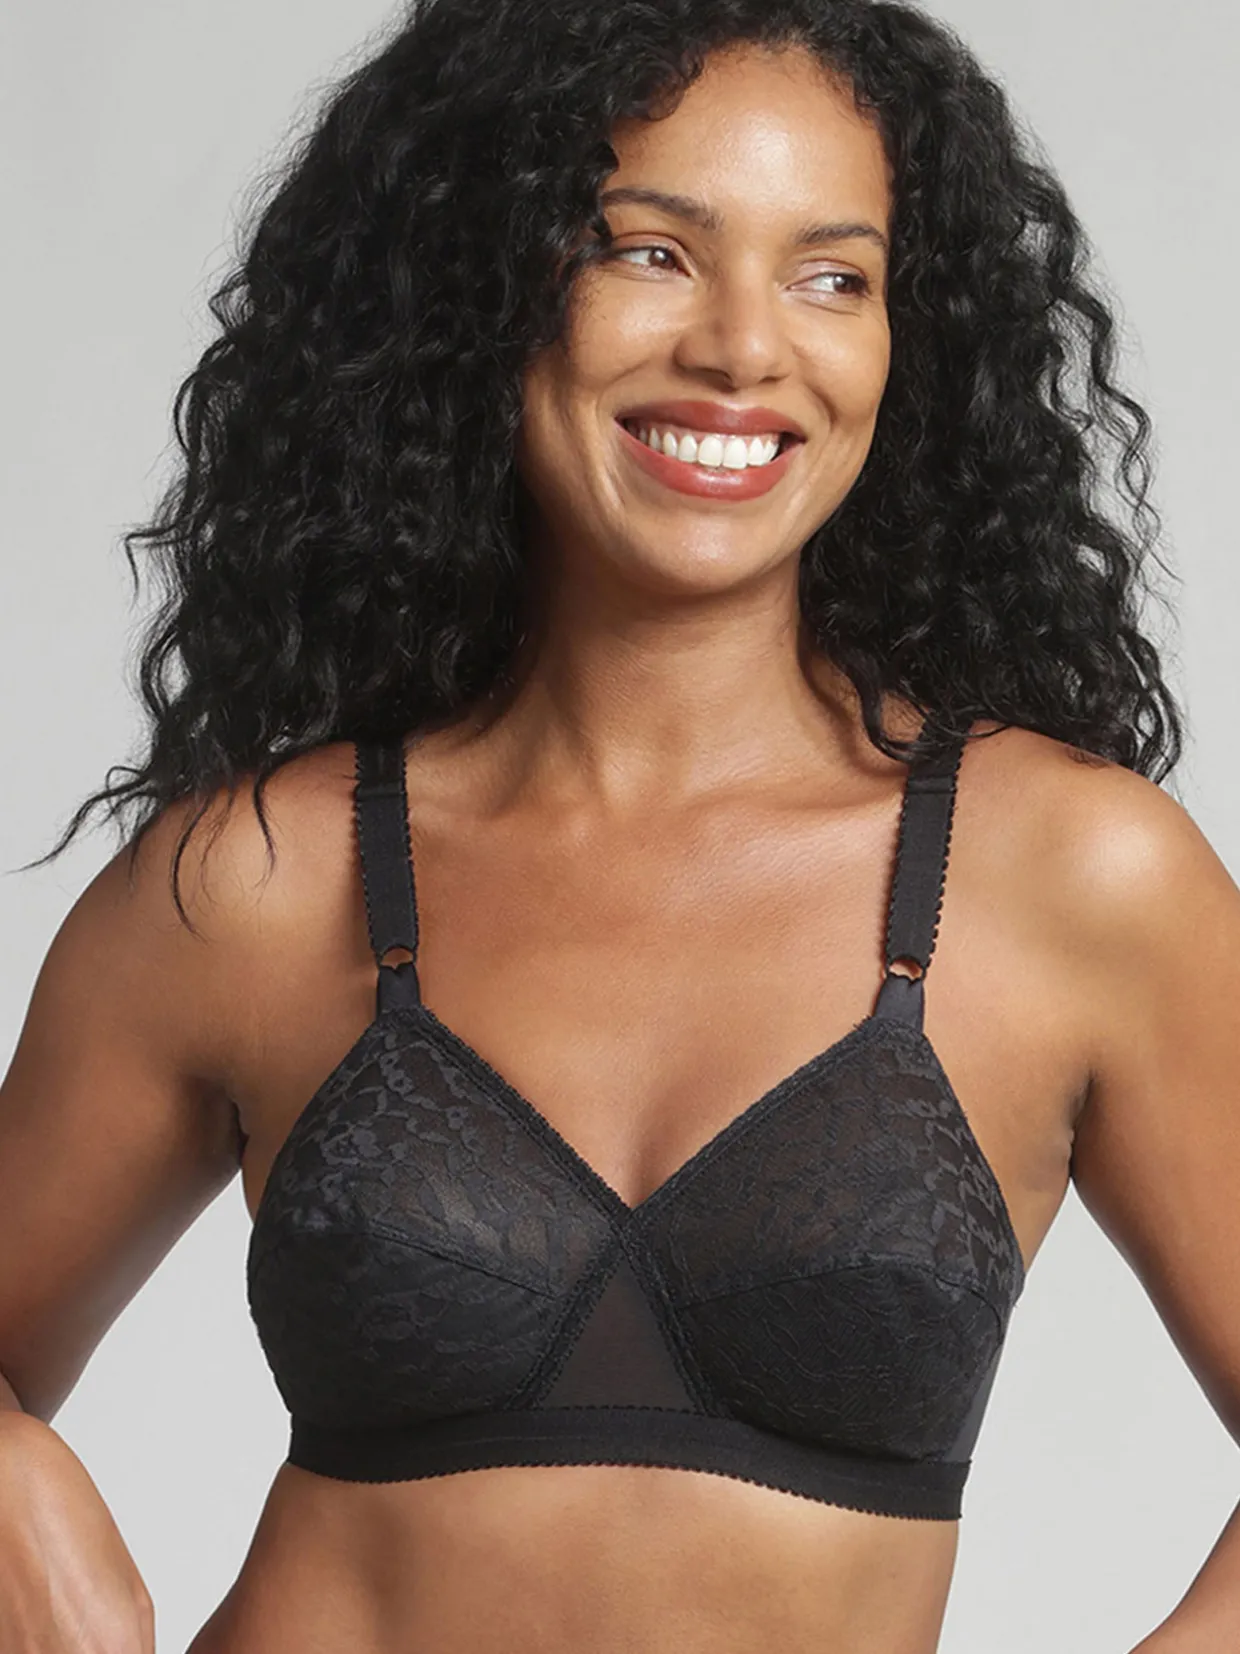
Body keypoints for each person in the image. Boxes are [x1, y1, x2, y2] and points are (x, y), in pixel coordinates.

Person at [1, 0, 1237, 1650]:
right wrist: (26, 1509)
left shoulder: (1071, 877)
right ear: (480, 287)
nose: (743, 348)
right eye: (648, 252)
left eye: (832, 276)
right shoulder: (258, 880)